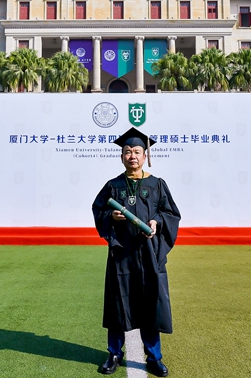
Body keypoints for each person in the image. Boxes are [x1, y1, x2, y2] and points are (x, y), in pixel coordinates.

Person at [92, 127, 181, 377]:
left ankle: (154, 357)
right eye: (128, 151)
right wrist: (111, 216)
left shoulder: (157, 184)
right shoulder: (113, 186)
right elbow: (98, 210)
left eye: (137, 151)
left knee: (151, 303)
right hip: (121, 256)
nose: (132, 155)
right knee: (117, 304)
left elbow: (171, 213)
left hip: (149, 254)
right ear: (121, 156)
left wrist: (157, 222)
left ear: (145, 156)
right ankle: (114, 354)